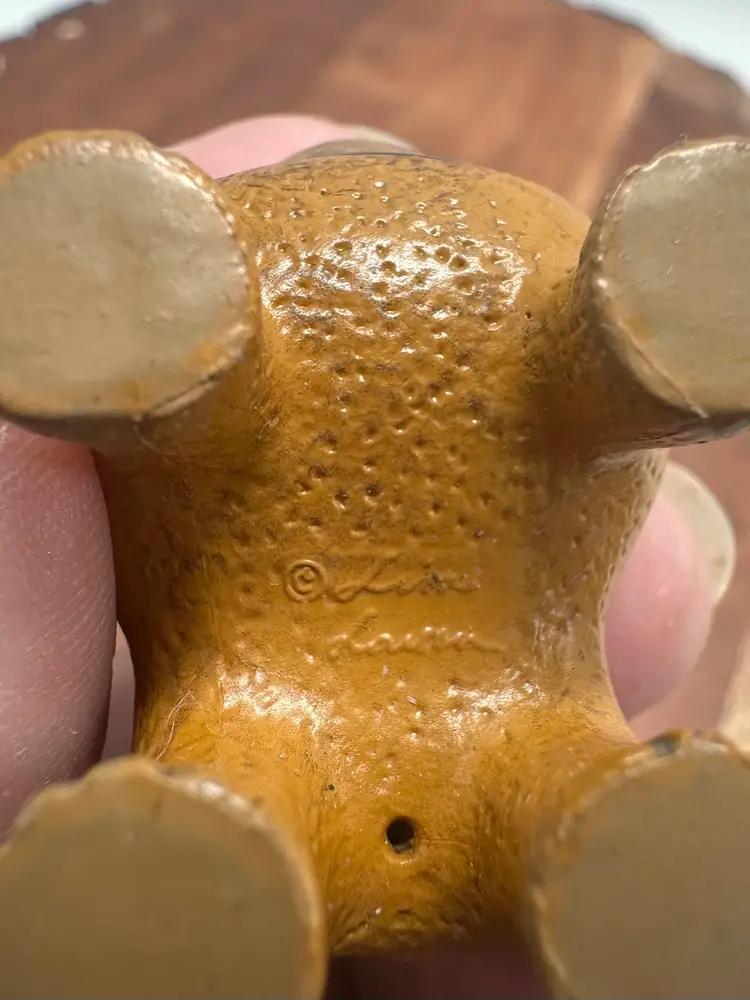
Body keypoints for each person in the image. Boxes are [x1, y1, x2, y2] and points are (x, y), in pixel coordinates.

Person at [0, 114, 728, 999]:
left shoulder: (260, 266)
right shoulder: (529, 264)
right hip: (376, 691)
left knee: (226, 778)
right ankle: (638, 349)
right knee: (558, 779)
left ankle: (180, 367)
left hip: (272, 706)